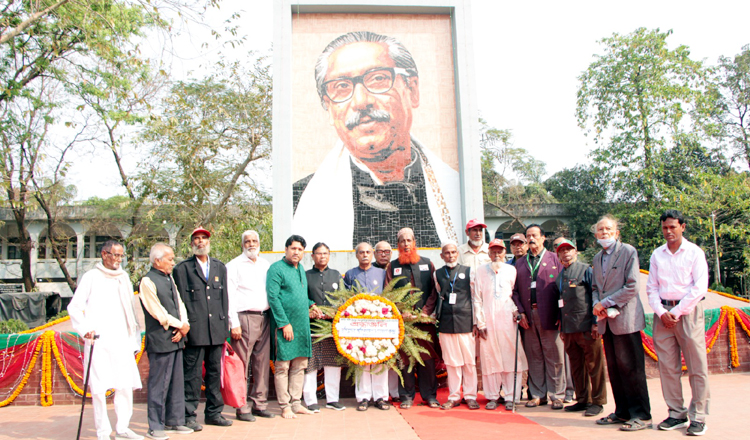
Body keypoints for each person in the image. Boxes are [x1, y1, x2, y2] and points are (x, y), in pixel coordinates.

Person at [292, 30, 461, 249]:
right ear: (330, 109)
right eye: (341, 86)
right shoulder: (299, 201)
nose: (361, 101)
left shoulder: (455, 190)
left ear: (413, 89)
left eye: (378, 78)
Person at [68, 240, 144, 440]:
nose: (119, 259)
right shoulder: (91, 277)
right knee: (99, 388)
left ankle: (123, 428)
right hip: (99, 341)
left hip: (122, 340)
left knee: (125, 385)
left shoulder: (124, 277)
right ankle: (103, 431)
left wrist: (134, 338)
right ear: (104, 254)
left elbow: (131, 310)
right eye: (115, 255)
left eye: (121, 256)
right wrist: (85, 329)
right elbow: (74, 307)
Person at [646, 210, 709, 436]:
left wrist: (678, 312)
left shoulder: (694, 252)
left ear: (683, 227)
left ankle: (699, 417)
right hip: (662, 314)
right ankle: (676, 414)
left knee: (697, 367)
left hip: (688, 313)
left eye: (673, 227)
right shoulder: (657, 255)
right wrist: (662, 311)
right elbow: (651, 287)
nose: (668, 231)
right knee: (667, 368)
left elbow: (700, 287)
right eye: (665, 227)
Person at [592, 215, 652, 431]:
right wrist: (597, 303)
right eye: (600, 230)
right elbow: (595, 288)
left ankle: (641, 414)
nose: (604, 232)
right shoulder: (597, 258)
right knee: (615, 368)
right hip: (606, 321)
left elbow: (632, 286)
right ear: (596, 234)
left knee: (631, 367)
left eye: (608, 229)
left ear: (617, 232)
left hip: (625, 319)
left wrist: (605, 302)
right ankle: (622, 411)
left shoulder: (628, 252)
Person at [173, 228, 231, 430]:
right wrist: (183, 328)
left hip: (216, 330)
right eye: (196, 239)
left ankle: (214, 413)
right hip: (194, 332)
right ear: (191, 244)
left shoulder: (219, 267)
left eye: (204, 238)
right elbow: (179, 301)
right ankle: (188, 416)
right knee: (192, 376)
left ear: (209, 242)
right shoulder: (182, 269)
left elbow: (223, 299)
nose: (200, 242)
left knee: (215, 374)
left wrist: (225, 329)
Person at [139, 243, 193, 440]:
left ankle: (175, 420)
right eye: (169, 259)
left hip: (177, 337)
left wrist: (184, 325)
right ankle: (155, 425)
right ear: (157, 260)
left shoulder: (169, 277)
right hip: (161, 339)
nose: (173, 262)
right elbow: (157, 312)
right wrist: (179, 325)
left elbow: (179, 303)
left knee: (176, 382)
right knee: (158, 384)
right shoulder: (147, 281)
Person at [267, 235, 323, 419]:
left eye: (300, 249)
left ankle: (296, 403)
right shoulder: (276, 269)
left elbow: (299, 295)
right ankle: (284, 406)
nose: (296, 252)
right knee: (283, 366)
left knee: (300, 365)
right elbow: (273, 298)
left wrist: (311, 305)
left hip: (302, 326)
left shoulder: (301, 270)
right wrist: (284, 324)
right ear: (286, 249)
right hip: (285, 326)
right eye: (293, 248)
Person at [384, 227, 439, 409]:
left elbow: (434, 291)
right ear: (397, 244)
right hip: (403, 323)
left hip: (424, 322)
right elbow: (388, 294)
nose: (406, 244)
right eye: (402, 241)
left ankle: (430, 396)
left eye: (409, 240)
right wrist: (401, 312)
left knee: (427, 359)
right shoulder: (392, 266)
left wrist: (425, 311)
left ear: (414, 242)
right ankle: (406, 396)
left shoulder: (428, 263)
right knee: (405, 359)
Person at [512, 224, 565, 409]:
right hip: (529, 314)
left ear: (543, 238)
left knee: (554, 355)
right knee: (533, 355)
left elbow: (562, 289)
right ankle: (537, 394)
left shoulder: (554, 259)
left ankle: (556, 395)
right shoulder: (519, 263)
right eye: (528, 236)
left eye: (535, 235)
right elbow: (515, 292)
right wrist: (521, 312)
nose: (531, 239)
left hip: (550, 314)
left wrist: (560, 314)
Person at [473, 239, 528, 411]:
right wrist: (480, 323)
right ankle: (492, 396)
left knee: (510, 356)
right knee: (490, 357)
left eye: (500, 251)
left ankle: (511, 396)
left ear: (505, 252)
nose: (497, 254)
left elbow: (514, 294)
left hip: (507, 320)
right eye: (493, 251)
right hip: (487, 320)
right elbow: (477, 298)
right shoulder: (480, 271)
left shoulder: (512, 270)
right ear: (488, 253)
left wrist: (516, 311)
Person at [554, 239, 606, 417]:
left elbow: (595, 297)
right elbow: (561, 303)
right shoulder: (560, 276)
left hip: (586, 326)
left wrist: (595, 322)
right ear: (558, 255)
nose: (566, 253)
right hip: (569, 329)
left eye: (569, 249)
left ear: (576, 252)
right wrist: (562, 327)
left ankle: (598, 401)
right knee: (577, 366)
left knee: (594, 365)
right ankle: (583, 399)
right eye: (562, 251)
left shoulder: (586, 270)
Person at [226, 230, 274, 421]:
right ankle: (241, 406)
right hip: (244, 319)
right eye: (247, 241)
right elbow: (228, 296)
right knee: (242, 365)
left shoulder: (265, 264)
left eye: (255, 241)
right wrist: (234, 323)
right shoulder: (234, 265)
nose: (251, 244)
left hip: (264, 317)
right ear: (242, 244)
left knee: (262, 364)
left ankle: (259, 404)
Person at [344, 242, 390, 411]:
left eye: (368, 252)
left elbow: (388, 295)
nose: (364, 255)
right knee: (361, 358)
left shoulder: (382, 273)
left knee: (380, 357)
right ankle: (363, 397)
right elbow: (345, 297)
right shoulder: (350, 274)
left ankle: (380, 397)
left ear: (372, 255)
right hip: (358, 325)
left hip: (380, 324)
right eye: (361, 252)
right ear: (356, 255)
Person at [435, 242, 479, 410]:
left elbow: (475, 297)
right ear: (442, 256)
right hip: (446, 323)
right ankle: (454, 396)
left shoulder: (469, 271)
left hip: (465, 321)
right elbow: (439, 294)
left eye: (453, 252)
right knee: (452, 363)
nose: (451, 255)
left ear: (457, 254)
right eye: (447, 253)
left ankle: (470, 396)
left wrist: (475, 321)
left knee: (468, 362)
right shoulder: (437, 274)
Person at [302, 242, 346, 412]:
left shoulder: (336, 275)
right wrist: (311, 306)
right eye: (319, 253)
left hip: (331, 328)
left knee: (333, 364)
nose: (322, 256)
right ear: (312, 256)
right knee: (310, 365)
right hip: (311, 327)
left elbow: (343, 297)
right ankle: (310, 400)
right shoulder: (305, 275)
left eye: (325, 253)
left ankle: (332, 399)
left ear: (329, 255)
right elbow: (301, 297)